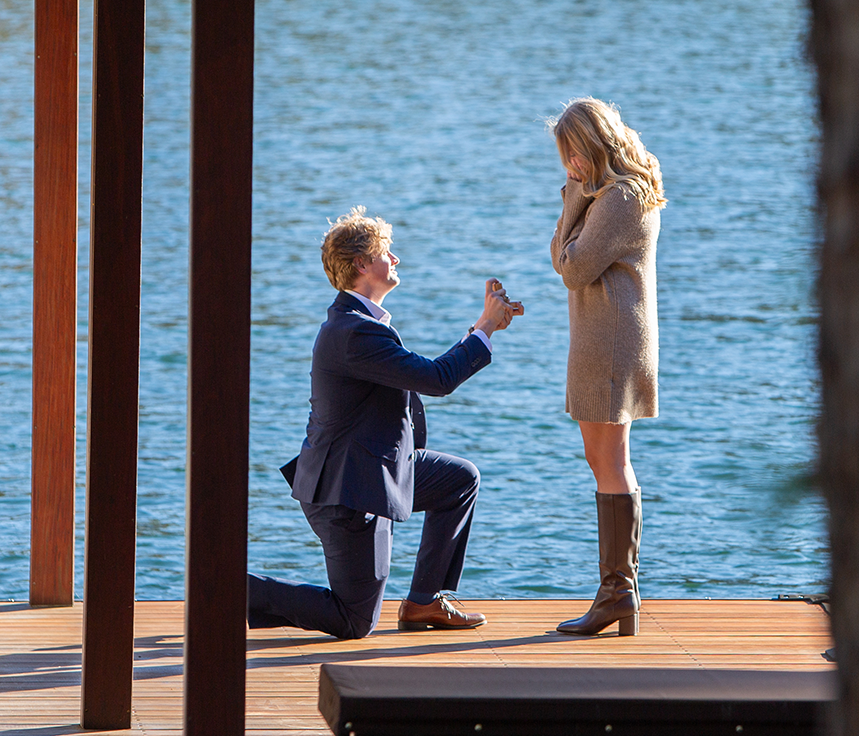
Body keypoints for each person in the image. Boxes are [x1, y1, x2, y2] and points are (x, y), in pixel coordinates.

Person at [247, 207, 523, 640]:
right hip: (347, 492)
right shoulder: (354, 332)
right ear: (361, 264)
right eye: (386, 252)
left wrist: (481, 330)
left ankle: (424, 602)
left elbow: (425, 374)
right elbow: (436, 379)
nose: (395, 259)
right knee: (353, 621)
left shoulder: (362, 325)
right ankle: (233, 591)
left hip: (377, 470)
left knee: (459, 480)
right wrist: (485, 328)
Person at [548, 97, 666, 637]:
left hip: (612, 339)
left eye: (573, 154)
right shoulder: (611, 191)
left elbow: (570, 266)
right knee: (601, 456)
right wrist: (576, 197)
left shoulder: (619, 196)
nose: (569, 166)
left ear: (594, 144)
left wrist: (573, 198)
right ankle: (618, 591)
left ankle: (619, 592)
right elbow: (564, 256)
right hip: (603, 335)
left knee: (610, 458)